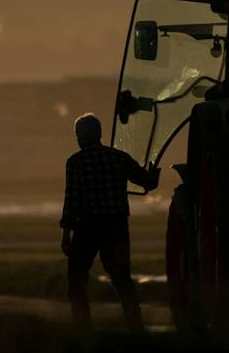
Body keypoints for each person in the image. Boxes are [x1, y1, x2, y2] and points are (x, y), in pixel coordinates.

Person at [60, 113, 159, 330]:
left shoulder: (75, 163)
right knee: (122, 280)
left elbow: (71, 201)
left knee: (76, 280)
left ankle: (83, 328)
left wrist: (66, 234)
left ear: (79, 137)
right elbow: (148, 182)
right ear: (100, 134)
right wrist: (154, 172)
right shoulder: (118, 157)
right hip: (116, 226)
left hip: (87, 227)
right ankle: (135, 327)